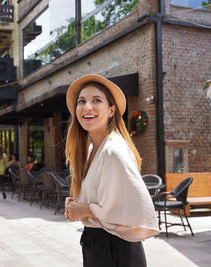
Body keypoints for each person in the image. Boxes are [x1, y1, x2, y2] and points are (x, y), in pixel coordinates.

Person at [64, 74, 159, 267]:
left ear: (111, 110)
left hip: (114, 249)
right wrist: (78, 203)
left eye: (96, 100)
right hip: (98, 244)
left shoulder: (113, 150)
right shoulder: (92, 149)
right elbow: (106, 198)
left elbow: (136, 209)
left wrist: (85, 209)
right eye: (81, 101)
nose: (87, 107)